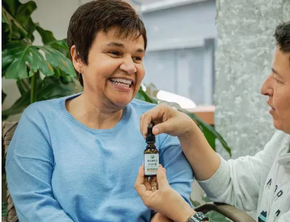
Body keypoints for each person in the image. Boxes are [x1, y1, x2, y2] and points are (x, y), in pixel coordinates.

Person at [5, 1, 193, 221]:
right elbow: (35, 205)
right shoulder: (40, 120)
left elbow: (177, 202)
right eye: (114, 52)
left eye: (137, 57)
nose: (130, 67)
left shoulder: (160, 123)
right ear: (77, 58)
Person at [135, 13, 290, 222]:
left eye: (279, 80)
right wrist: (188, 132)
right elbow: (234, 185)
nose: (265, 88)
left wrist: (182, 213)